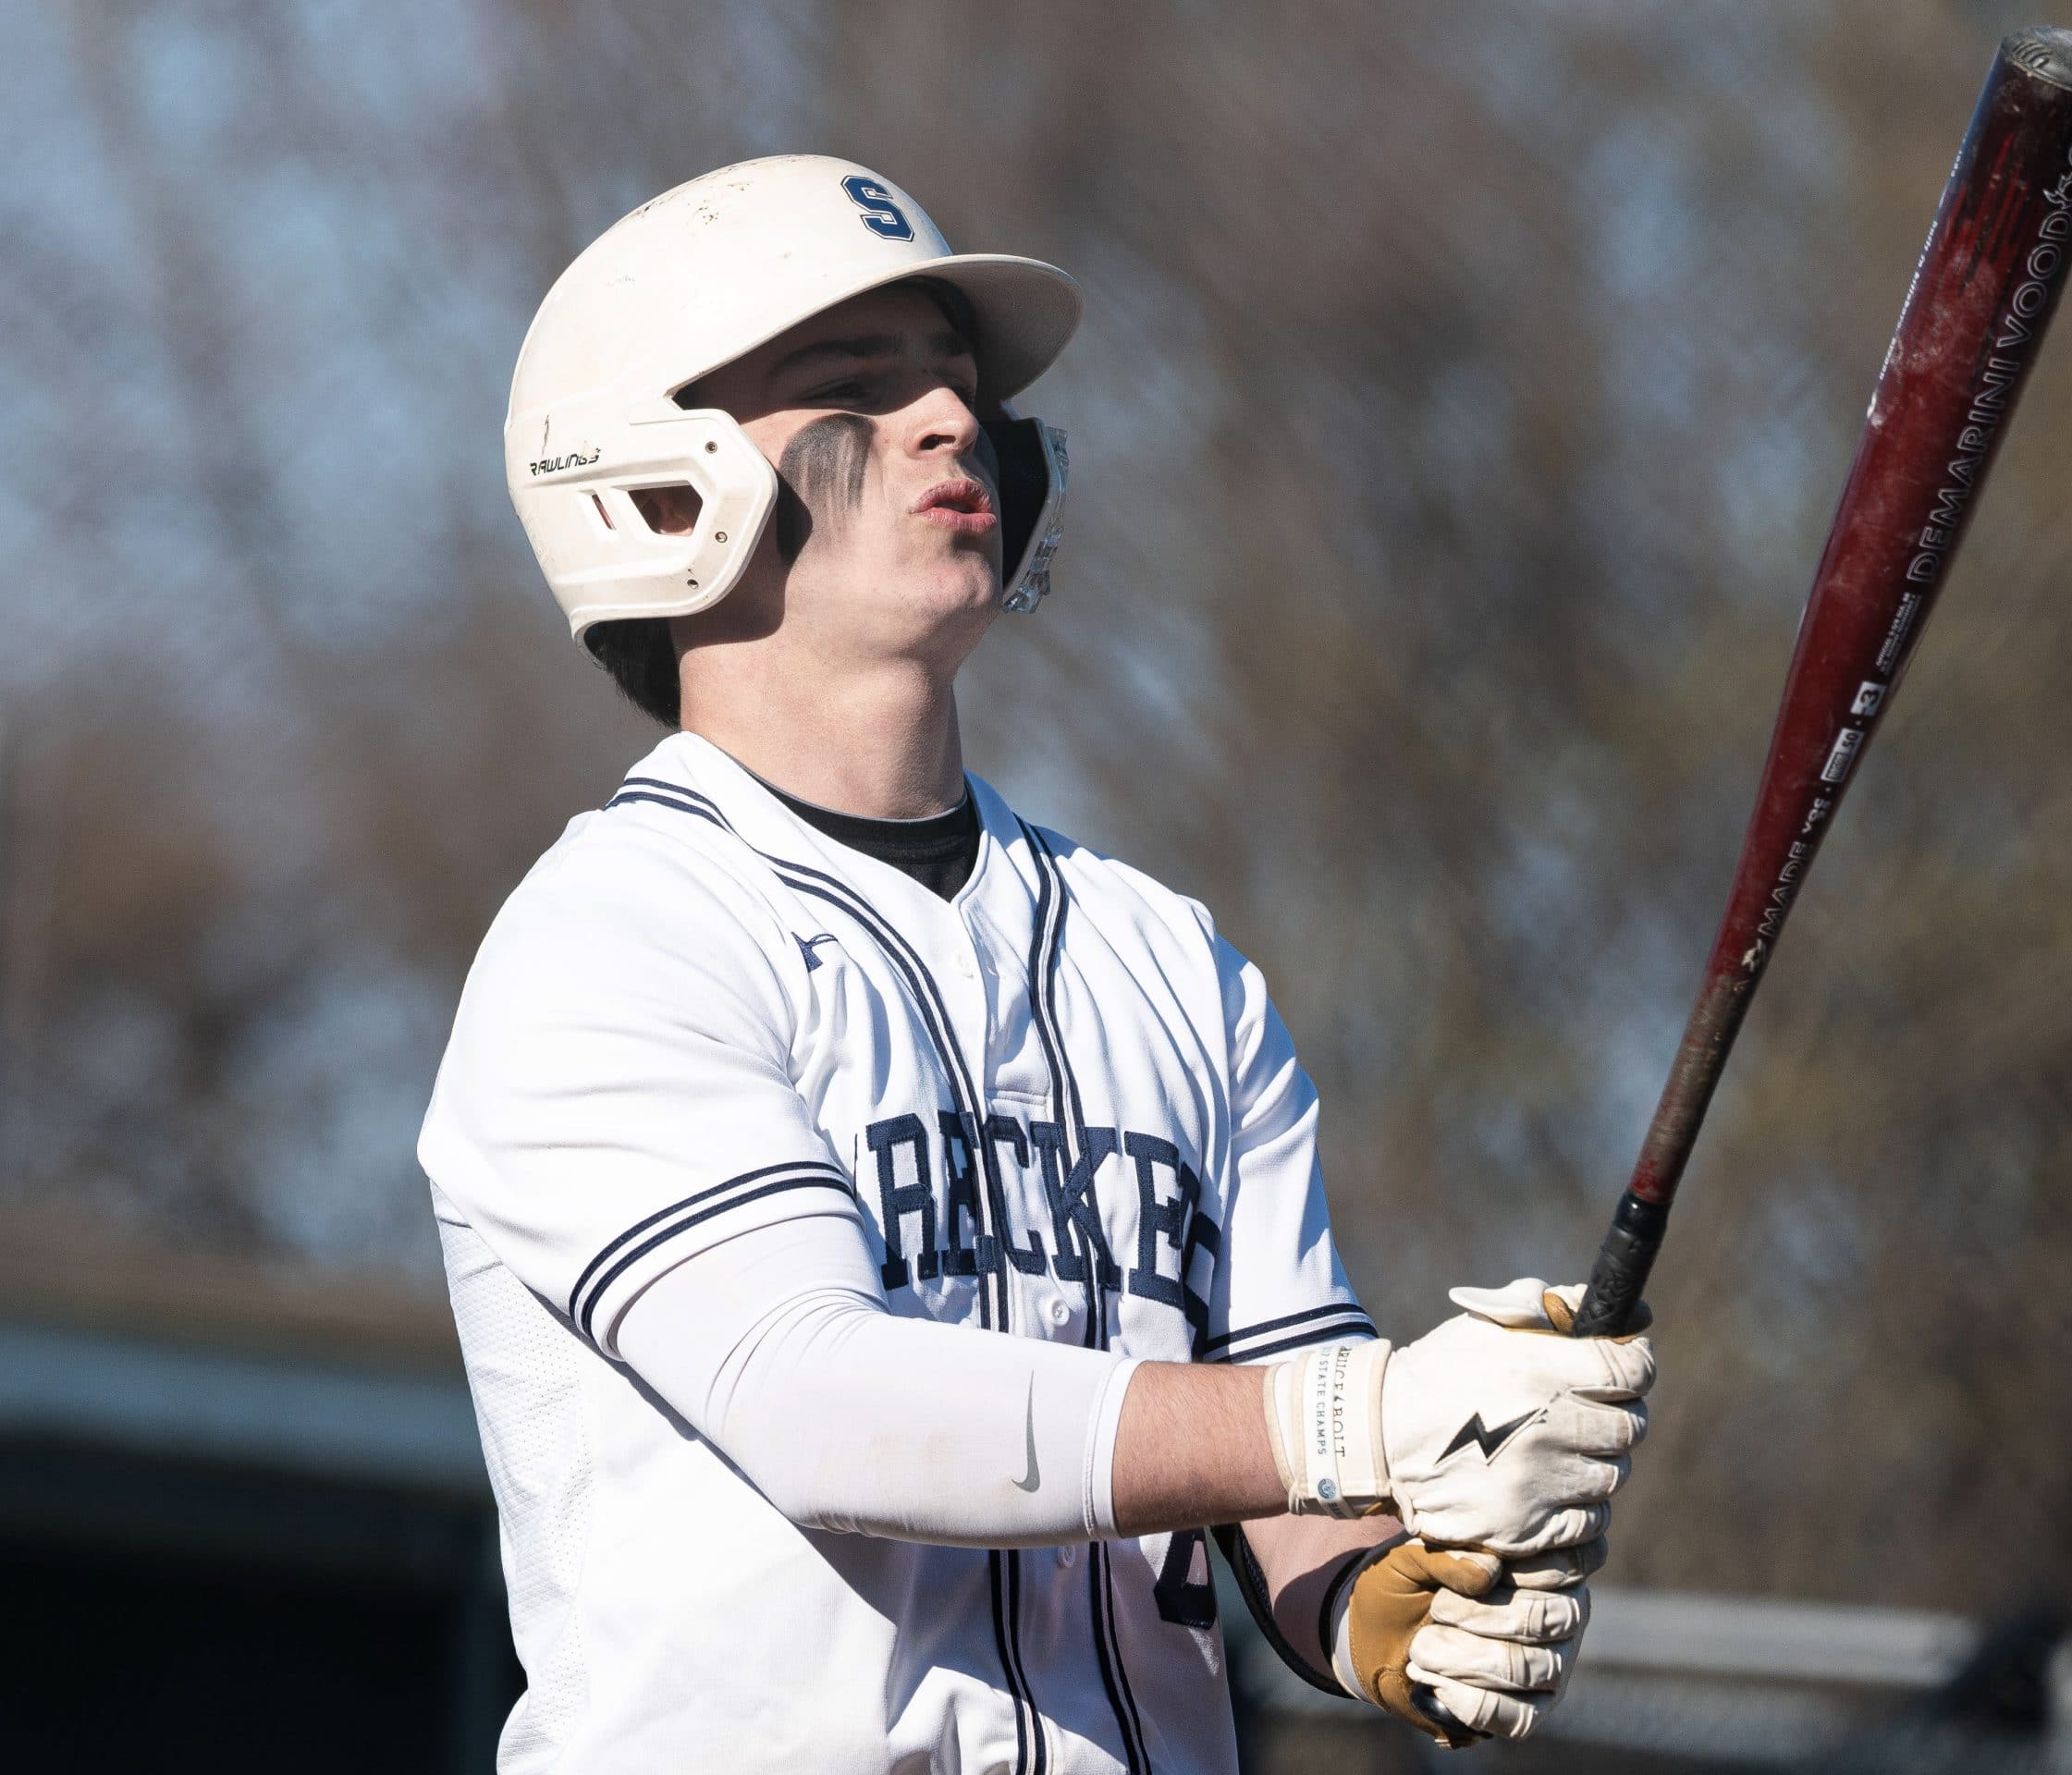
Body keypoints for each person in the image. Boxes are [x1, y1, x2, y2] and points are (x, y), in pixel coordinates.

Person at [421, 155, 1655, 1774]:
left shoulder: (1169, 960)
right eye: (857, 382)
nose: (952, 420)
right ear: (652, 489)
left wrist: (1378, 1591)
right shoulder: (613, 938)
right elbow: (822, 1406)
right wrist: (1364, 1420)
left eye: (959, 383)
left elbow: (1277, 1441)